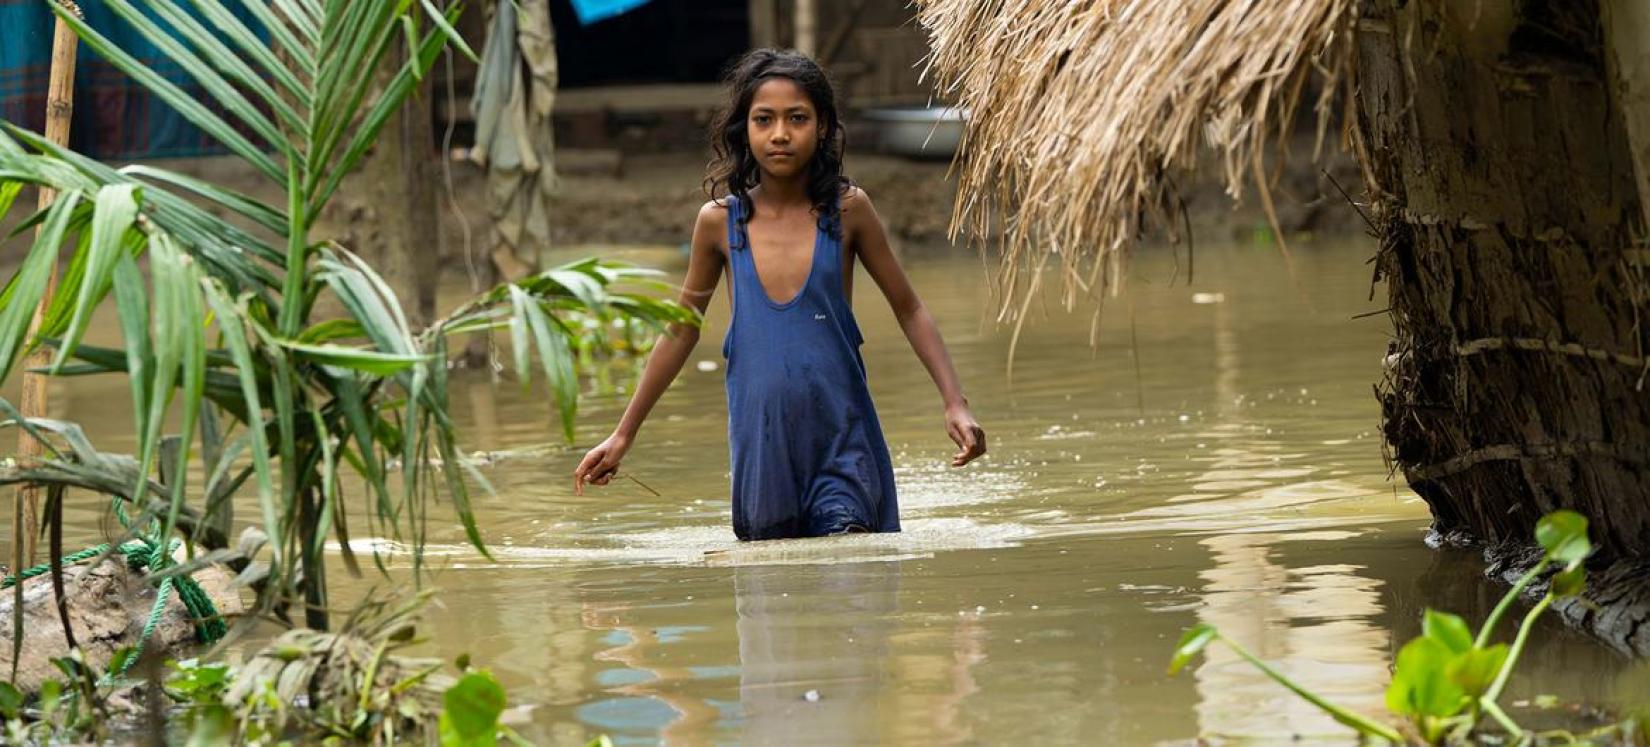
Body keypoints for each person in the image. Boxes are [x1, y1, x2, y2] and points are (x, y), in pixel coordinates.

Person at [573, 48, 985, 540]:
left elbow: (910, 308)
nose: (781, 134)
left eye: (798, 118)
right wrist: (623, 433)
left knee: (850, 571)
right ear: (743, 130)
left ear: (824, 127)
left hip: (843, 442)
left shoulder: (848, 211)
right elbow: (680, 331)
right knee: (776, 597)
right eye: (764, 119)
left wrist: (954, 402)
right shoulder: (718, 225)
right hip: (762, 454)